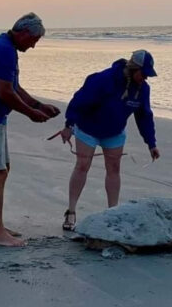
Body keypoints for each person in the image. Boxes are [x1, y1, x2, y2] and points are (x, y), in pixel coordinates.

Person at [0, 12, 60, 247]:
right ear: (24, 33)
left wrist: (37, 104)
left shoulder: (5, 45)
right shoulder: (4, 50)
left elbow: (14, 86)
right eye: (34, 40)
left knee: (3, 168)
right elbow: (5, 93)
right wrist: (31, 114)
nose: (34, 45)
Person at [59, 50, 161, 230]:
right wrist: (69, 125)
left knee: (114, 169)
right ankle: (71, 211)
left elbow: (144, 116)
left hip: (114, 132)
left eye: (147, 75)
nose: (145, 78)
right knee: (82, 165)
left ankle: (113, 213)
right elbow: (79, 101)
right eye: (143, 73)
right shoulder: (104, 80)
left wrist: (151, 143)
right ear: (133, 69)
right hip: (88, 128)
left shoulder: (143, 89)